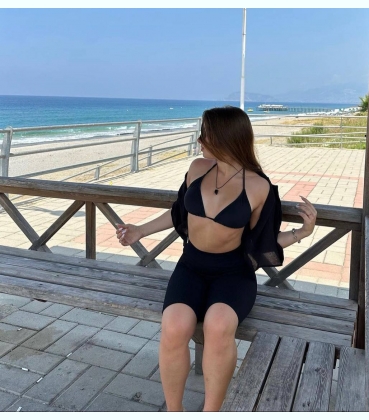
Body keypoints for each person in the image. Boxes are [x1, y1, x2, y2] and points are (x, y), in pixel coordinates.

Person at [115, 106, 317, 412]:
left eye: (206, 134)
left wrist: (302, 232)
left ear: (225, 137)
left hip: (233, 274)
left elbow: (263, 240)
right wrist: (140, 230)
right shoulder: (198, 168)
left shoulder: (259, 186)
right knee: (174, 325)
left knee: (218, 325)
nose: (200, 140)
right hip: (191, 267)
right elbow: (178, 213)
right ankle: (175, 411)